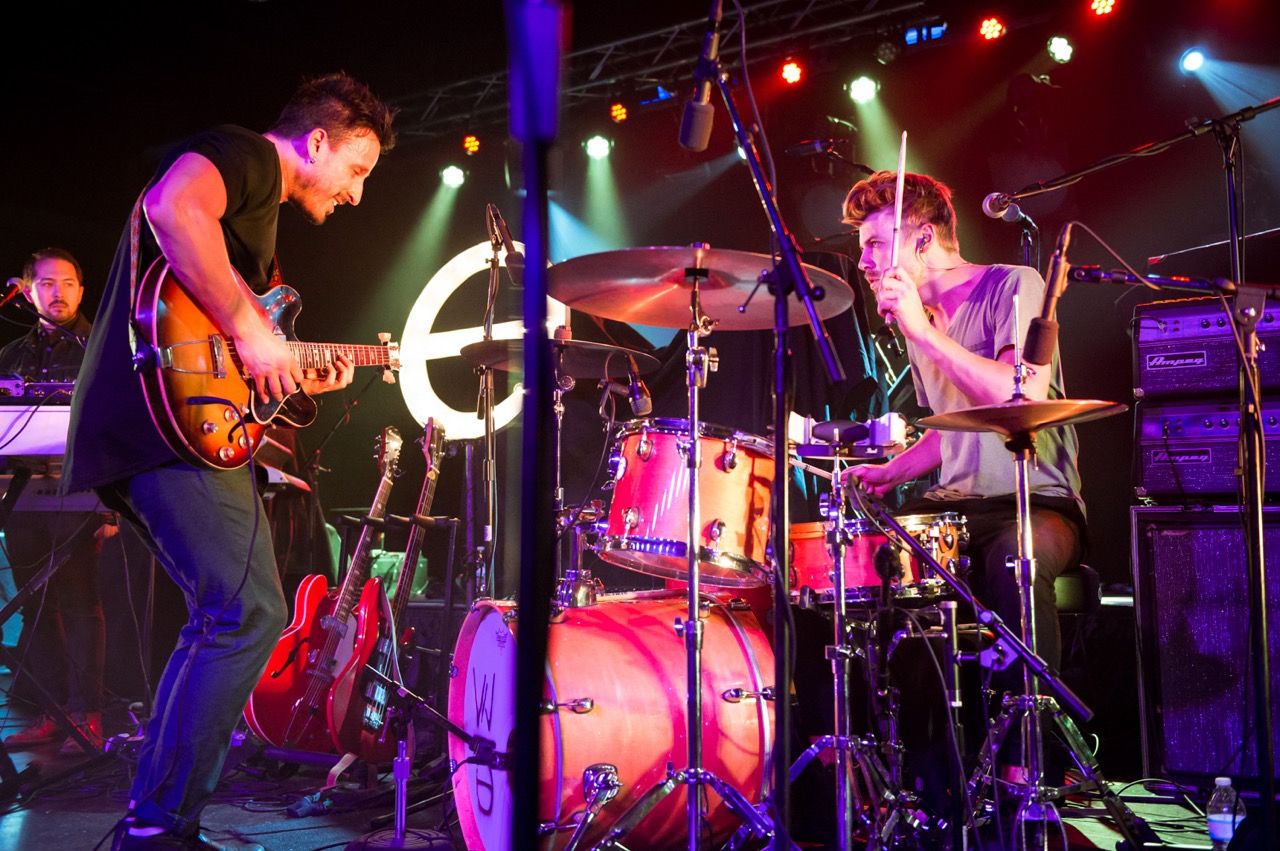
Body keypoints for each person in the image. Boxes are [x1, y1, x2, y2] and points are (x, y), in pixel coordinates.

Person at [62, 73, 395, 850]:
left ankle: (155, 819)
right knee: (250, 613)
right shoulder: (245, 156)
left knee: (226, 615)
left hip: (158, 422)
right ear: (317, 140)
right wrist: (251, 329)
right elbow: (173, 206)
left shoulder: (259, 230)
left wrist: (290, 366)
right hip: (155, 420)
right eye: (357, 168)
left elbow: (225, 353)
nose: (356, 194)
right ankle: (158, 825)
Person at [841, 170, 1085, 682]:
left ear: (924, 238)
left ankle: (1030, 753)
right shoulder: (920, 317)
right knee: (866, 568)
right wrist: (889, 473)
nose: (863, 262)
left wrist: (922, 333)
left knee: (1017, 562)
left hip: (1034, 501)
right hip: (955, 508)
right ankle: (913, 746)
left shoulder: (1014, 284)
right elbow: (953, 428)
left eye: (875, 245)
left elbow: (1019, 397)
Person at [0, 247, 109, 754]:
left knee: (79, 603)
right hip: (23, 494)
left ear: (82, 291)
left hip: (78, 489)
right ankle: (50, 714)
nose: (58, 292)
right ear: (27, 291)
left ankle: (87, 716)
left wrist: (110, 503)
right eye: (46, 283)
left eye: (67, 282)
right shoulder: (12, 355)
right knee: (34, 606)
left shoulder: (99, 345)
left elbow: (112, 426)